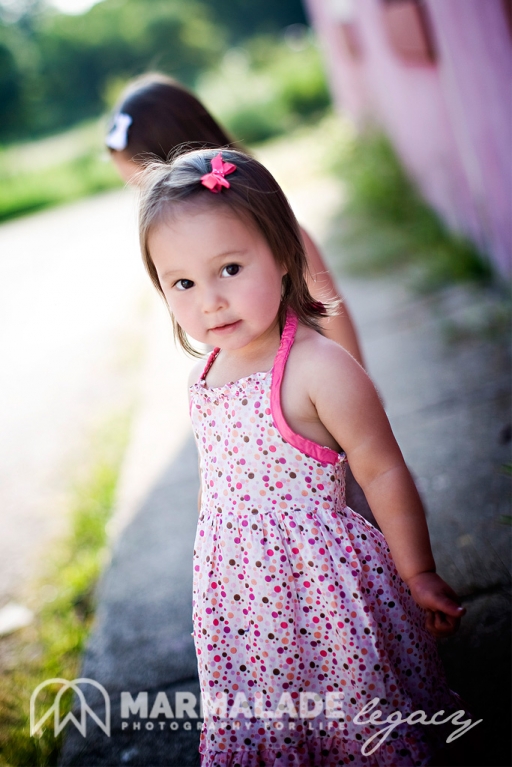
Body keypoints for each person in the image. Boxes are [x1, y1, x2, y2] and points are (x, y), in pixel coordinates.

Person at [136, 148, 473, 766]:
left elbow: (382, 467)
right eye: (181, 282)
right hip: (242, 598)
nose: (208, 300)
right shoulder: (204, 377)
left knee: (355, 719)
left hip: (327, 589)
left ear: (286, 257)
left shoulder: (317, 369)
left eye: (230, 268)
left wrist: (418, 571)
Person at [106, 72, 376, 524]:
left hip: (314, 417)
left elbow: (332, 310)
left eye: (144, 183)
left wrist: (352, 398)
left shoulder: (275, 238)